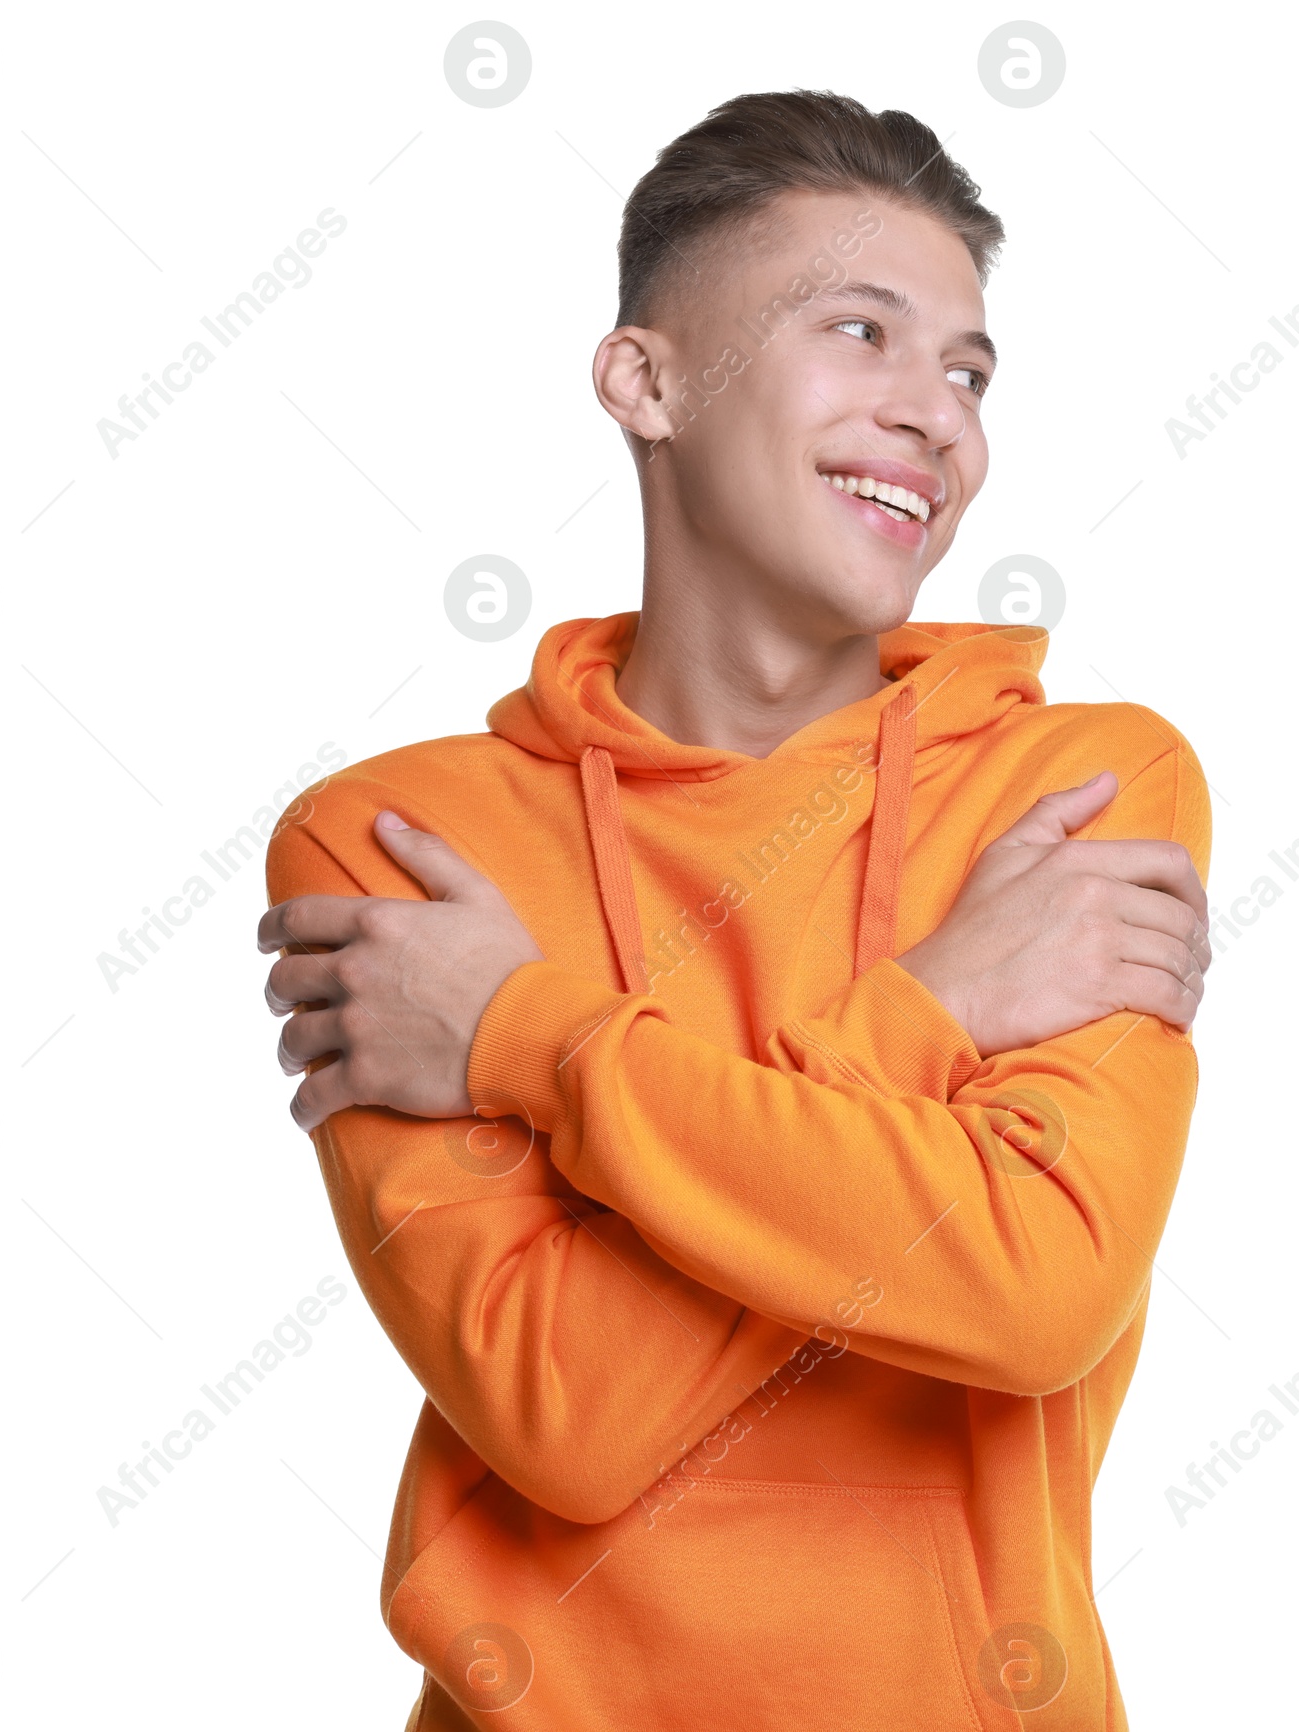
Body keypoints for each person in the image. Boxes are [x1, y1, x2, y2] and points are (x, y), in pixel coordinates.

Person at [259, 89, 1211, 1732]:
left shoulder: (1075, 792)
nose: (939, 417)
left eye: (971, 373)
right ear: (648, 379)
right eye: (864, 332)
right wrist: (928, 1016)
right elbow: (565, 1411)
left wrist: (526, 1038)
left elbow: (1038, 1288)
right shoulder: (398, 843)